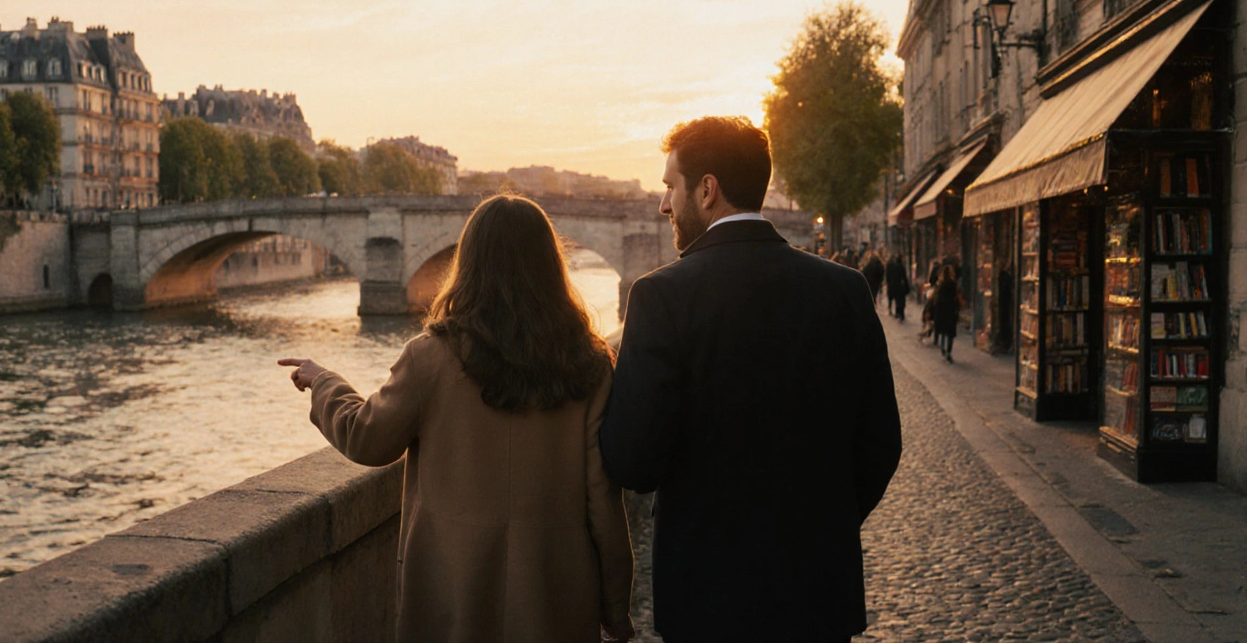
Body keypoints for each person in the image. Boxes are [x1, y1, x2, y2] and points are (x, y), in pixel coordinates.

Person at [279, 195, 635, 643]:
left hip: (451, 591)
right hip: (554, 594)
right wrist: (616, 606)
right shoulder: (591, 364)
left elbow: (366, 438)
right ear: (551, 265)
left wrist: (325, 382)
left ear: (467, 264)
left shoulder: (431, 356)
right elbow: (603, 499)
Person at [599, 116, 902, 643]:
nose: (663, 205)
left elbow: (633, 461)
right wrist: (821, 525)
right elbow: (881, 443)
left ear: (708, 190)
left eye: (670, 186)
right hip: (817, 596)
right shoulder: (845, 291)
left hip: (705, 599)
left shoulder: (660, 297)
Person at [933, 264, 962, 363]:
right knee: (950, 332)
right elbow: (956, 297)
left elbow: (937, 299)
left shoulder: (940, 285)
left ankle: (943, 349)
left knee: (943, 332)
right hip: (951, 310)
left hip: (942, 310)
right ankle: (949, 351)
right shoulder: (954, 284)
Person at [885, 253, 910, 321]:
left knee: (897, 300)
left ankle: (897, 313)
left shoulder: (894, 266)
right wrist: (907, 287)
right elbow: (904, 277)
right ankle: (901, 314)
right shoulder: (901, 267)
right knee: (901, 301)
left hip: (895, 286)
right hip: (900, 287)